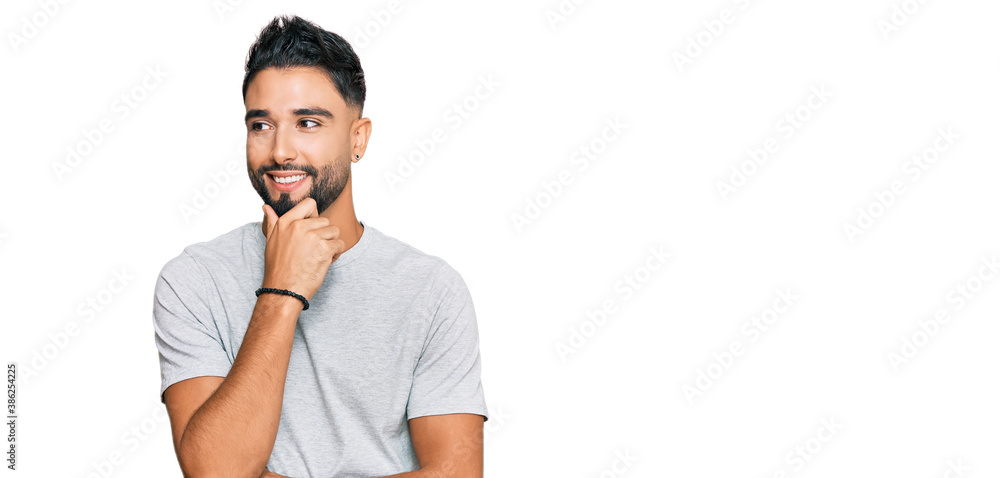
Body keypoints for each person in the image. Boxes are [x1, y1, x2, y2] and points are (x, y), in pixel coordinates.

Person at [151, 14, 488, 478]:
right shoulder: (193, 280)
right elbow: (215, 472)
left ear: (358, 138)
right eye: (261, 125)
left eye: (307, 123)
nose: (281, 151)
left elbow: (456, 475)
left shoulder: (431, 289)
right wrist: (282, 292)